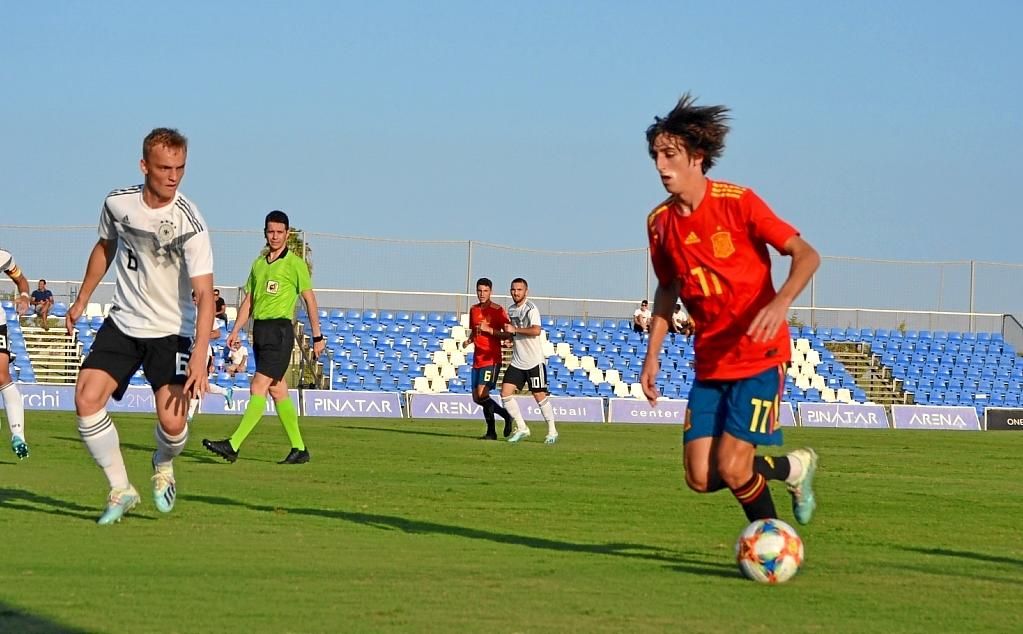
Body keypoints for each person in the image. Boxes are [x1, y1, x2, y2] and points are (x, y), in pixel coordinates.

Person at [640, 94, 821, 528]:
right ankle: (790, 469)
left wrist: (780, 304)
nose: (661, 166)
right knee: (700, 477)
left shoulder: (738, 202)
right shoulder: (659, 223)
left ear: (697, 157)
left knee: (735, 467)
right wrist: (652, 353)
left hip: (759, 356)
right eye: (655, 156)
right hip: (711, 361)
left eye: (670, 155)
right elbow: (667, 286)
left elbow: (807, 254)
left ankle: (773, 542)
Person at [65, 127, 215, 525]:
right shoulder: (118, 204)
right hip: (125, 321)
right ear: (144, 165)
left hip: (171, 330)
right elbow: (105, 247)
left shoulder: (191, 223)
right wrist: (82, 298)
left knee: (172, 421)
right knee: (86, 397)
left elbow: (205, 294)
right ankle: (121, 488)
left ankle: (163, 463)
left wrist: (199, 355)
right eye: (165, 167)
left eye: (180, 168)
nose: (174, 177)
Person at [202, 210, 325, 465]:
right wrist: (235, 331)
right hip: (259, 331)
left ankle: (233, 445)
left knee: (257, 386)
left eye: (280, 232)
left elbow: (310, 300)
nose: (275, 236)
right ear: (265, 232)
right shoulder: (258, 264)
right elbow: (250, 300)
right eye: (271, 231)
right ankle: (299, 449)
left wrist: (317, 336)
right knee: (278, 391)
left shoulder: (295, 264)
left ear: (287, 234)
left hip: (280, 332)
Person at [500, 278, 558, 444]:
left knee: (539, 395)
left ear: (526, 291)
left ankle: (552, 431)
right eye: (513, 289)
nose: (515, 292)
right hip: (518, 361)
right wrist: (510, 338)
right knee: (505, 393)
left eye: (519, 290)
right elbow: (514, 333)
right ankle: (522, 427)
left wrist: (515, 330)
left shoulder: (531, 309)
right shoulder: (511, 310)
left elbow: (536, 330)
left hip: (533, 361)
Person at [462, 277, 515, 439]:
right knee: (477, 398)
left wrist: (490, 330)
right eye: (479, 290)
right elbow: (475, 330)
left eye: (485, 291)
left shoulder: (497, 310)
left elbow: (508, 333)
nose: (482, 294)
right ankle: (503, 417)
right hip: (477, 360)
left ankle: (495, 427)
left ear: (490, 291)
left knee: (482, 393)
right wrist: (469, 340)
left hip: (491, 359)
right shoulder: (474, 310)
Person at [0, 248, 31, 458]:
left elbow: (21, 280)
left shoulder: (2, 256)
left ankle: (18, 435)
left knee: (1, 375)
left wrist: (24, 296)